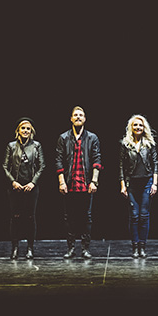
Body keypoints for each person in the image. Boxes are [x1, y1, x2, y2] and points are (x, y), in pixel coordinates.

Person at [55, 106, 103, 259]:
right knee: (69, 217)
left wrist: (94, 181)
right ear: (70, 118)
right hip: (69, 184)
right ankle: (71, 248)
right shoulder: (63, 138)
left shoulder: (92, 138)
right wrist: (62, 182)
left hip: (86, 183)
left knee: (86, 217)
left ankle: (85, 248)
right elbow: (58, 161)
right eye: (75, 115)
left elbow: (97, 160)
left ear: (85, 118)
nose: (78, 117)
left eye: (80, 115)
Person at [2, 117, 45, 260]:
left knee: (30, 217)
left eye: (28, 128)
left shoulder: (36, 146)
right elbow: (4, 166)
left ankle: (30, 248)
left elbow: (42, 166)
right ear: (18, 130)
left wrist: (33, 182)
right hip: (15, 188)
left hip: (31, 188)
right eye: (23, 128)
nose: (25, 131)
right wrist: (13, 182)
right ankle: (15, 248)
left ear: (31, 131)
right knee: (15, 217)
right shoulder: (11, 146)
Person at [119, 115, 158, 258]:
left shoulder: (149, 143)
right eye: (135, 125)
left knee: (144, 216)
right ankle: (135, 247)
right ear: (131, 127)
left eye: (140, 125)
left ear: (144, 128)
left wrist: (155, 183)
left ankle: (143, 247)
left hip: (146, 182)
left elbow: (155, 164)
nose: (138, 128)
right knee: (134, 216)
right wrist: (122, 184)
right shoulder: (125, 144)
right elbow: (121, 166)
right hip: (132, 184)